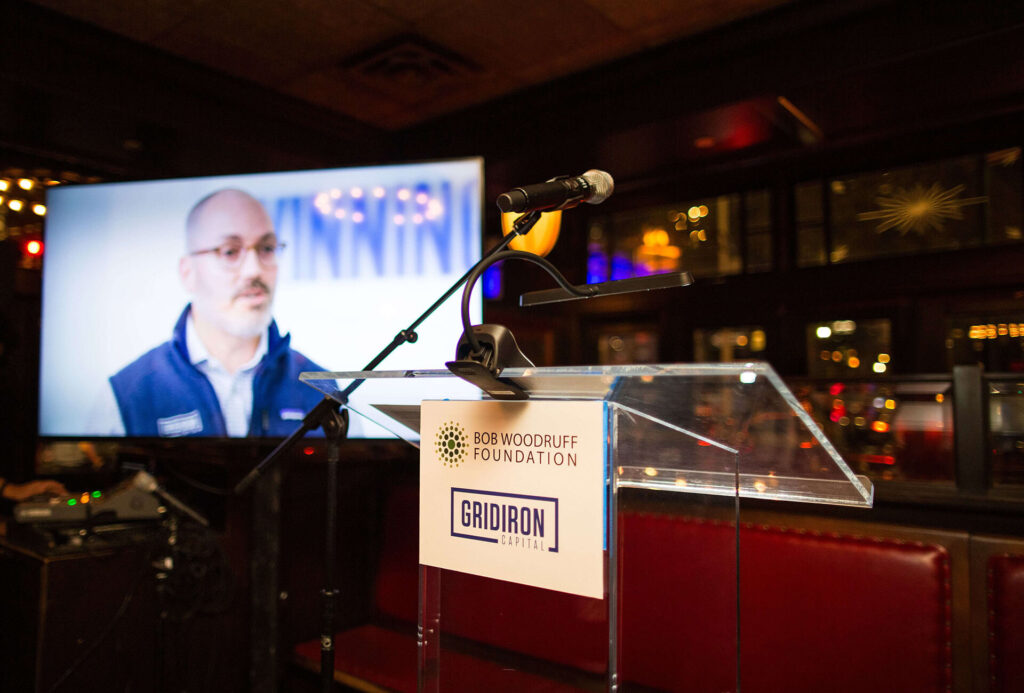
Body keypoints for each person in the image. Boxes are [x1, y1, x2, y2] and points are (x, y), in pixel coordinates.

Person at [93, 189, 332, 437]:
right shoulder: (125, 396)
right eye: (230, 251)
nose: (253, 270)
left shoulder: (323, 392)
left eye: (267, 248)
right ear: (188, 272)